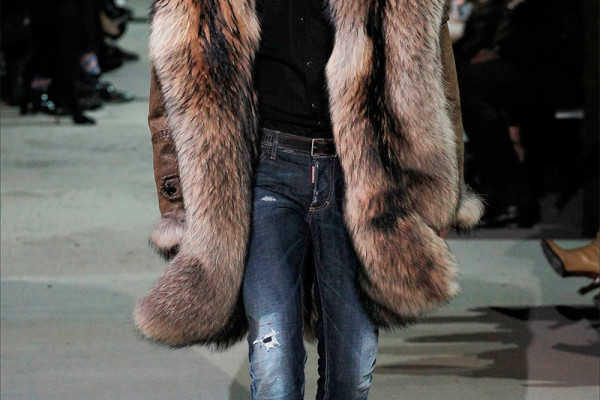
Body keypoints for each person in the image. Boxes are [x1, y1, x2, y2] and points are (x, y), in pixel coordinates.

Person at [134, 0, 483, 398]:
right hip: (265, 172)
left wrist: (440, 191)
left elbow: (438, 83)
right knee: (273, 372)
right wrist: (178, 206)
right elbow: (170, 98)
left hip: (359, 176)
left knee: (350, 374)